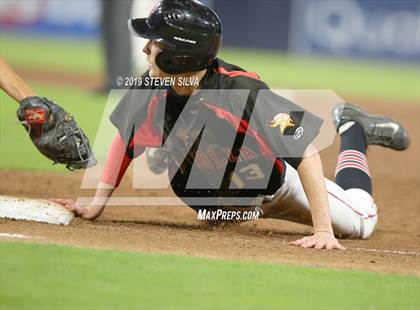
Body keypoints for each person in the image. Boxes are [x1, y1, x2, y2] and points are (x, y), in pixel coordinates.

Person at [54, 0, 410, 250]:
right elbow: (126, 140)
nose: (146, 48)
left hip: (278, 189)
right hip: (229, 201)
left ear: (181, 55)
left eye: (156, 42)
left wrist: (322, 230)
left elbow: (305, 149)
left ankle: (352, 130)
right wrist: (95, 203)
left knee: (362, 221)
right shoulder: (149, 86)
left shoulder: (241, 90)